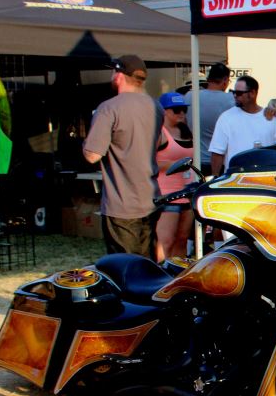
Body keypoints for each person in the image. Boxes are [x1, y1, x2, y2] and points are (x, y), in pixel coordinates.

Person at [83, 54, 159, 258]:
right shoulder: (156, 107)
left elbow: (92, 155)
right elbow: (160, 144)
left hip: (121, 203)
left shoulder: (109, 108)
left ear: (118, 75)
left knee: (124, 266)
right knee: (147, 265)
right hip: (150, 198)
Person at [209, 76, 276, 175]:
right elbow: (217, 153)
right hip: (236, 180)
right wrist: (215, 178)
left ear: (252, 93)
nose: (235, 96)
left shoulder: (272, 117)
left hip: (265, 179)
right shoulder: (226, 118)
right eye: (233, 92)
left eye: (239, 93)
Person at [154, 91, 196, 261]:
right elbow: (148, 162)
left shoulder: (186, 131)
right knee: (165, 241)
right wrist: (174, 165)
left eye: (184, 109)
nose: (181, 113)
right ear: (164, 111)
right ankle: (160, 271)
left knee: (182, 239)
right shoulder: (159, 133)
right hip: (167, 194)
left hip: (187, 192)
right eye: (176, 110)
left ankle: (178, 271)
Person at [186, 62, 234, 168]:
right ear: (225, 80)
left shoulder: (189, 97)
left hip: (195, 161)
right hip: (220, 162)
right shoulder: (231, 100)